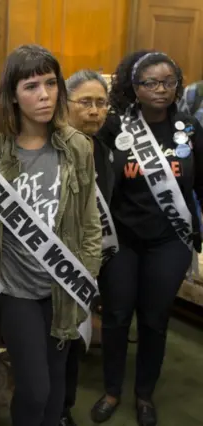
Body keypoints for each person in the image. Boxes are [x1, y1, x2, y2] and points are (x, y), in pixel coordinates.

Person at [0, 45, 102, 426]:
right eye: (32, 86)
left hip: (64, 287)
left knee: (55, 396)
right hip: (15, 292)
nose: (45, 95)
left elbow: (90, 224)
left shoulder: (78, 147)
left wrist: (85, 277)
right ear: (12, 95)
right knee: (34, 391)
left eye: (51, 83)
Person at [89, 50, 203, 426]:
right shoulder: (113, 128)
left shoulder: (190, 129)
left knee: (155, 320)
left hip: (169, 241)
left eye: (168, 82)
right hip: (122, 241)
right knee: (118, 316)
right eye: (150, 83)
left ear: (177, 84)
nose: (160, 89)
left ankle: (144, 394)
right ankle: (111, 390)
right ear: (133, 87)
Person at [62, 70, 114, 426]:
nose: (95, 111)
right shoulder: (54, 148)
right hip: (58, 262)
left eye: (101, 103)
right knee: (60, 343)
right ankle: (57, 409)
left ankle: (65, 406)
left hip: (97, 259)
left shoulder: (107, 150)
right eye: (86, 102)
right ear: (66, 105)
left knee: (74, 342)